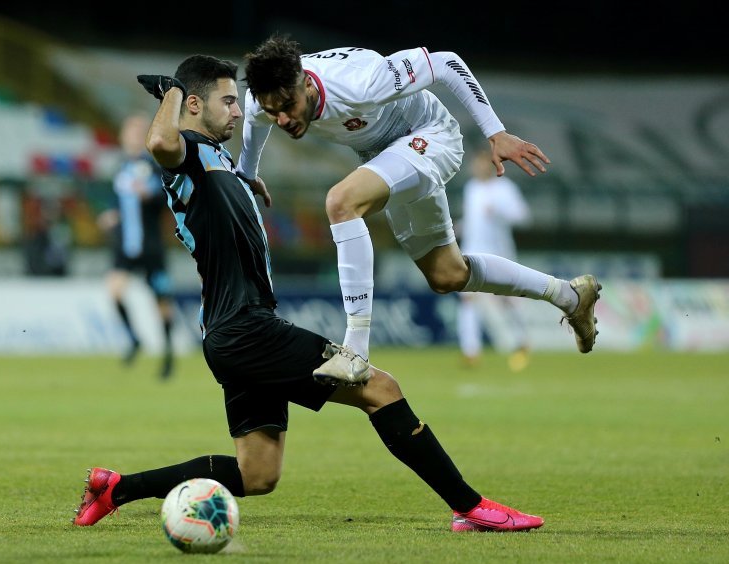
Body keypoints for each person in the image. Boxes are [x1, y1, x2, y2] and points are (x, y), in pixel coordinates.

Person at [72, 55, 544, 533]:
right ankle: (471, 506)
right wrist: (173, 89)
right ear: (194, 105)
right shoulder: (189, 153)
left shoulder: (220, 161)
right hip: (246, 328)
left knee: (257, 474)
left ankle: (117, 488)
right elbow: (159, 141)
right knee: (381, 390)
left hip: (231, 331)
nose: (240, 111)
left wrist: (247, 172)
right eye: (229, 102)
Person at [238, 34, 600, 384]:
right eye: (274, 112)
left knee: (341, 201)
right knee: (447, 275)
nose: (282, 119)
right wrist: (249, 176)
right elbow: (255, 125)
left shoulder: (361, 83)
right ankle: (569, 295)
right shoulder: (266, 101)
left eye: (288, 107)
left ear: (309, 87)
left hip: (430, 135)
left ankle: (355, 352)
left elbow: (445, 63)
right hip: (385, 155)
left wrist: (496, 132)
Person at [98, 113, 176, 380]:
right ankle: (134, 339)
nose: (131, 138)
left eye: (136, 133)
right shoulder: (120, 169)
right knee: (115, 291)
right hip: (125, 246)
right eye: (128, 133)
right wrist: (111, 214)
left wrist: (151, 195)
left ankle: (168, 356)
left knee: (161, 301)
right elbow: (116, 200)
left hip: (151, 247)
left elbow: (165, 197)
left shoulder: (155, 167)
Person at [457, 149, 531, 371]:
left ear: (490, 166)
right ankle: (471, 351)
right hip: (472, 252)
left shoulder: (505, 188)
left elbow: (523, 216)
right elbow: (473, 221)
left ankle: (522, 340)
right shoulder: (471, 188)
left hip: (500, 254)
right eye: (475, 165)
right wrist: (456, 228)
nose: (477, 169)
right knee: (468, 300)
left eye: (481, 165)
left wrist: (499, 211)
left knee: (506, 300)